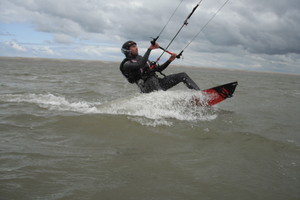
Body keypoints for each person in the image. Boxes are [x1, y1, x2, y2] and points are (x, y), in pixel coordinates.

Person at [120, 40, 200, 93]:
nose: (136, 48)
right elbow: (139, 65)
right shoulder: (126, 64)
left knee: (182, 75)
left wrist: (169, 60)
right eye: (133, 47)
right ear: (128, 50)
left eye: (136, 46)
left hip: (159, 83)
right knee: (151, 79)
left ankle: (200, 94)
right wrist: (149, 49)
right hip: (148, 88)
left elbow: (159, 69)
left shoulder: (142, 59)